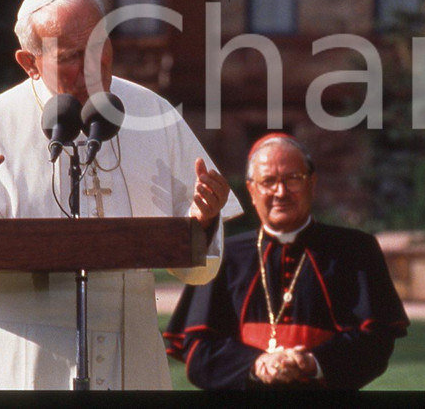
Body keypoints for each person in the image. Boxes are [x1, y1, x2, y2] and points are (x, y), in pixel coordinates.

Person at [0, 0, 243, 390]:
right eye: (72, 56)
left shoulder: (154, 113)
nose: (93, 66)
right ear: (29, 62)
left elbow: (198, 273)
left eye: (100, 46)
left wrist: (202, 222)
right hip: (21, 363)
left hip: (132, 356)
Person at [164, 133, 409, 389]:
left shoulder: (356, 250)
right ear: (251, 189)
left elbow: (376, 342)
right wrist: (256, 365)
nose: (280, 192)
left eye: (293, 179)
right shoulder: (224, 254)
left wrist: (312, 363)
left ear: (312, 183)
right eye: (268, 181)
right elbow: (199, 352)